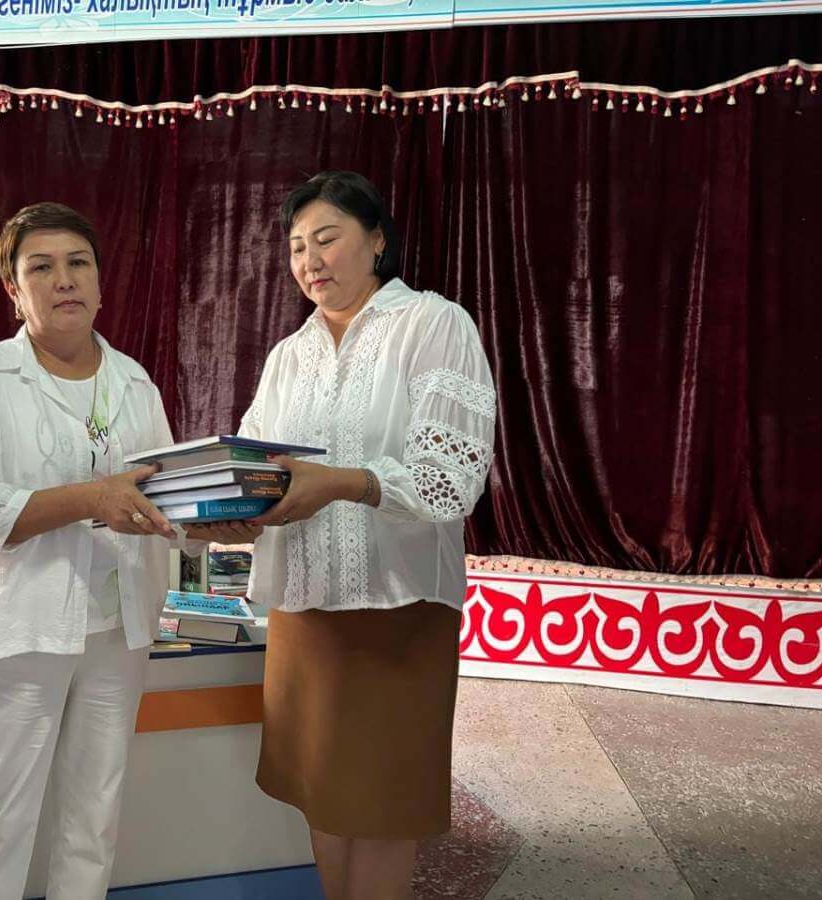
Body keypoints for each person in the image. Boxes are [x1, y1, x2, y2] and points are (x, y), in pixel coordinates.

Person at [0, 202, 204, 900]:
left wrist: (216, 517)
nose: (64, 280)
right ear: (14, 289)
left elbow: (162, 496)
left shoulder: (133, 381)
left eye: (78, 263)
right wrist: (90, 499)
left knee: (94, 818)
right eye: (41, 268)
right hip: (21, 633)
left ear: (101, 283)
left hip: (118, 630)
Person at [238, 171, 497, 900]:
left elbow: (450, 480)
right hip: (304, 608)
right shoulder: (289, 355)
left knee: (384, 805)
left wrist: (342, 482)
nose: (310, 260)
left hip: (399, 609)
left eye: (327, 238)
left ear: (377, 240)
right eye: (296, 248)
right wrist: (227, 509)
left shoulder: (433, 324)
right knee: (321, 795)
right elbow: (255, 465)